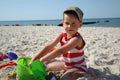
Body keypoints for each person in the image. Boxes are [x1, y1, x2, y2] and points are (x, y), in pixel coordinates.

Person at [30, 6, 96, 80]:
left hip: (78, 67)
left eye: (73, 23)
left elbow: (60, 51)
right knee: (47, 67)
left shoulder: (77, 39)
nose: (70, 26)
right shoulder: (62, 35)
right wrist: (35, 59)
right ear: (63, 23)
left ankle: (86, 72)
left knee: (64, 78)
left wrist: (41, 60)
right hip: (67, 64)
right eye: (67, 23)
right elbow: (49, 46)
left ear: (80, 24)